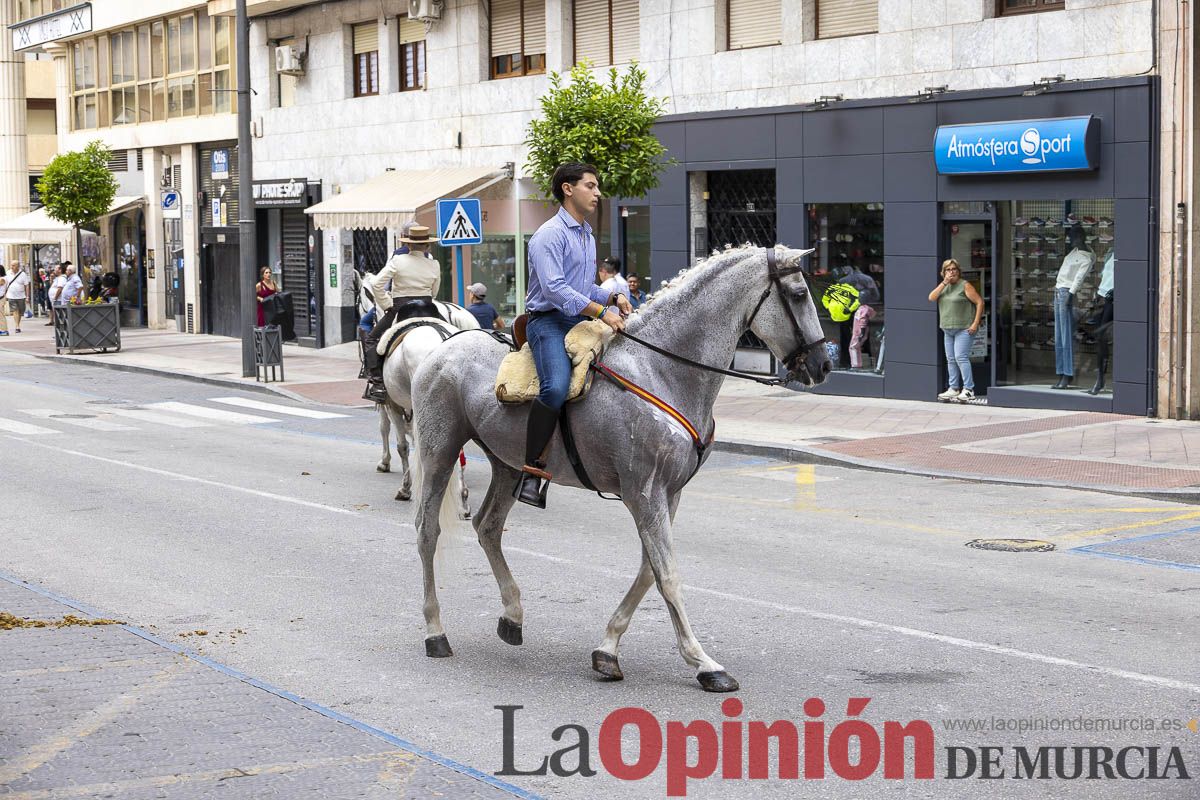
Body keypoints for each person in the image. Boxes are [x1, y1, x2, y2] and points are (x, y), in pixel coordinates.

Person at [515, 162, 632, 508]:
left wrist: (613, 296)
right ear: (568, 189)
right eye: (591, 186)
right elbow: (555, 290)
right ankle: (531, 472)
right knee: (554, 388)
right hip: (548, 322)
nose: (598, 193)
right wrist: (602, 312)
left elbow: (583, 288)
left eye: (597, 187)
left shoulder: (586, 235)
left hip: (579, 320)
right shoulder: (549, 235)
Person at [361, 224, 442, 402]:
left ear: (409, 245)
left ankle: (378, 383)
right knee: (450, 335)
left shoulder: (397, 261)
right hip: (428, 308)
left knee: (372, 339)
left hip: (401, 308)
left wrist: (387, 304)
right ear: (427, 246)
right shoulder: (434, 264)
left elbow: (376, 284)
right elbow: (434, 291)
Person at [929, 258, 984, 402]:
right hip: (947, 329)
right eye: (948, 269)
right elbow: (931, 297)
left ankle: (969, 389)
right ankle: (953, 388)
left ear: (959, 271)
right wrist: (944, 283)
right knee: (951, 359)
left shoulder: (965, 285)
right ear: (943, 272)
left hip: (964, 328)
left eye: (954, 269)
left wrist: (975, 323)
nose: (951, 272)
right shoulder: (943, 286)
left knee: (961, 357)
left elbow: (979, 302)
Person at [6, 262, 30, 333]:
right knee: (15, 310)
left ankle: (17, 324)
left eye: (13, 265)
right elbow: (5, 283)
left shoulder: (23, 274)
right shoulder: (8, 273)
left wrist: (27, 296)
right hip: (11, 295)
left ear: (18, 266)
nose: (11, 266)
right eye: (11, 265)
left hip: (21, 296)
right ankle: (17, 326)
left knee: (20, 312)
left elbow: (27, 285)